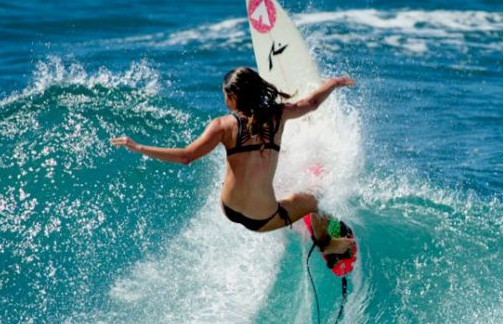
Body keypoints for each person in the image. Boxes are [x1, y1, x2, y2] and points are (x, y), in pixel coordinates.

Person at [110, 66, 355, 256]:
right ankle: (326, 244)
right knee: (317, 198)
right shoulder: (278, 115)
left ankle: (296, 219)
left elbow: (186, 156)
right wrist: (333, 83)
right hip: (262, 219)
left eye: (226, 95)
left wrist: (140, 147)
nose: (225, 100)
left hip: (229, 208)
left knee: (265, 177)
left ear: (234, 97)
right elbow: (310, 103)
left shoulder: (222, 125)